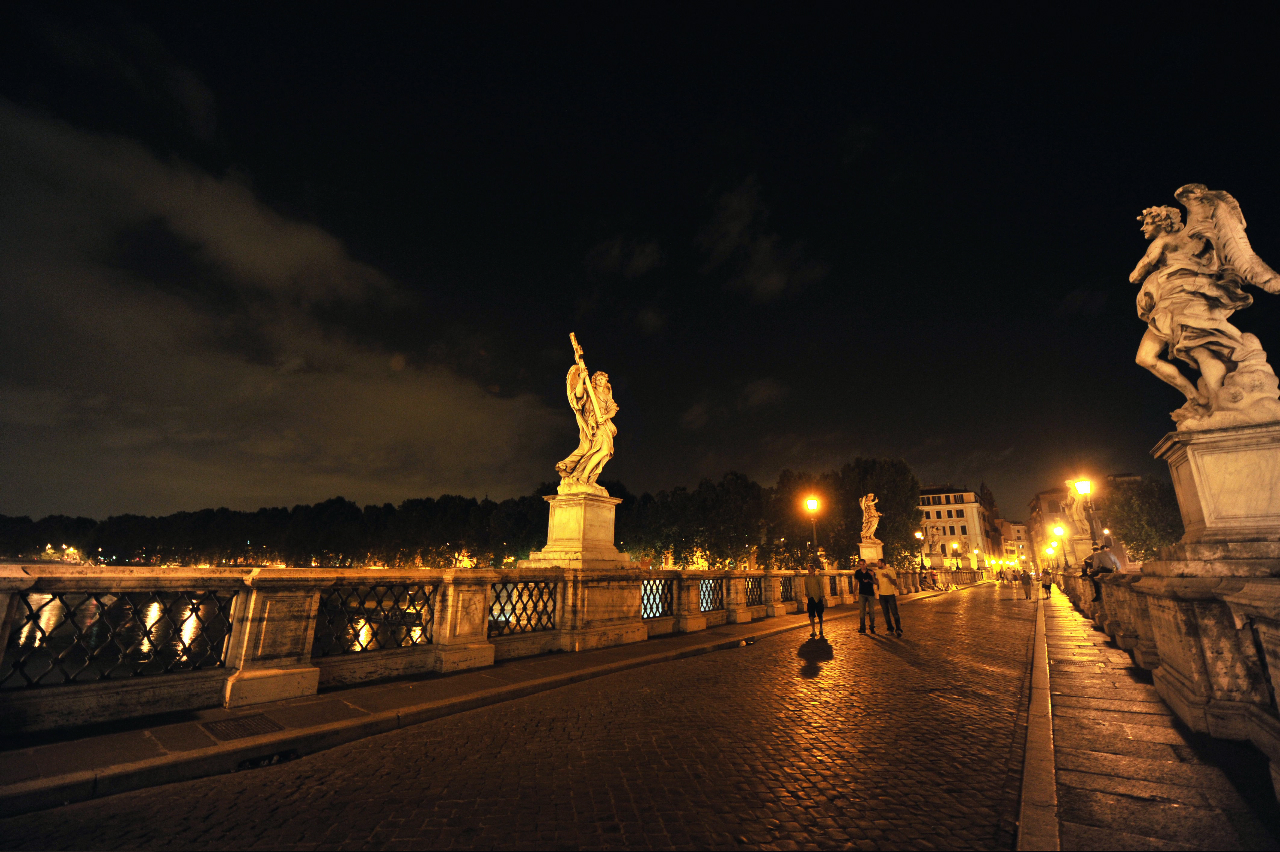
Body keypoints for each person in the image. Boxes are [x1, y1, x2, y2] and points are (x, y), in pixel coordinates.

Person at [874, 560, 903, 636]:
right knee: (886, 614)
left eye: (878, 563)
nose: (877, 564)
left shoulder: (890, 570)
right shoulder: (877, 571)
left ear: (883, 563)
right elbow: (877, 583)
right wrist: (871, 577)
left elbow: (895, 583)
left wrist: (888, 577)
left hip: (890, 594)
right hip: (882, 595)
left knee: (895, 613)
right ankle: (890, 629)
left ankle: (898, 629)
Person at [803, 557, 827, 638]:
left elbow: (821, 587)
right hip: (811, 598)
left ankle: (821, 628)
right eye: (807, 569)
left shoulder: (818, 578)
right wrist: (807, 595)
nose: (808, 570)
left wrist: (822, 595)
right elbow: (805, 587)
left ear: (813, 569)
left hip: (818, 598)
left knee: (820, 614)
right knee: (811, 614)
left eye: (809, 569)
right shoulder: (806, 578)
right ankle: (813, 630)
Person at [853, 559, 878, 634]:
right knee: (862, 611)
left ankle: (872, 627)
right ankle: (862, 628)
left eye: (863, 564)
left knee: (872, 611)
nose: (862, 566)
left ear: (866, 564)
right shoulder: (858, 572)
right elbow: (856, 582)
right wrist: (854, 592)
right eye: (860, 564)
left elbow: (875, 582)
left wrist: (871, 577)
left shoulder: (870, 572)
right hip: (862, 593)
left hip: (870, 593)